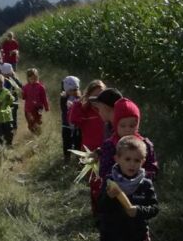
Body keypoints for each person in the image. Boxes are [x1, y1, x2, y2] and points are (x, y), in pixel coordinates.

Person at [97, 98, 158, 182]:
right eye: (123, 125)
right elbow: (104, 171)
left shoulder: (145, 145)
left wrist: (139, 179)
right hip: (115, 190)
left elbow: (152, 169)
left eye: (132, 126)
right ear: (115, 124)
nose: (127, 129)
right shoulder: (110, 145)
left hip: (140, 189)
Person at [70, 80, 107, 214]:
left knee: (107, 182)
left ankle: (106, 212)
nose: (97, 100)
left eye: (101, 97)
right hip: (90, 152)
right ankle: (97, 211)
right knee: (95, 183)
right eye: (94, 97)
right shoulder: (85, 111)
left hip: (107, 150)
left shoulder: (108, 110)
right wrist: (80, 103)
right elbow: (73, 119)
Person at [60, 76, 82, 160]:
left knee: (77, 142)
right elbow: (63, 108)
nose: (73, 92)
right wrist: (67, 102)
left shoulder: (79, 98)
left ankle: (78, 159)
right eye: (71, 90)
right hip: (66, 125)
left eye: (75, 90)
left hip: (76, 125)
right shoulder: (63, 98)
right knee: (66, 142)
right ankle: (67, 158)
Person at [21, 68, 49, 134]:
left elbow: (44, 98)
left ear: (37, 77)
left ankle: (39, 134)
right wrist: (22, 93)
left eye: (35, 78)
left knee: (38, 121)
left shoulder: (41, 87)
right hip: (28, 109)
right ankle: (34, 133)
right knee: (30, 124)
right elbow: (24, 97)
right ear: (28, 78)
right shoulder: (25, 87)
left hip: (38, 108)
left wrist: (46, 107)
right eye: (32, 78)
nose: (34, 80)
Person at [0, 63, 23, 132]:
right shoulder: (14, 78)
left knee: (8, 117)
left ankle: (9, 130)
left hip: (8, 102)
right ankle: (14, 129)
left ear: (4, 72)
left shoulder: (4, 81)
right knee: (14, 116)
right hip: (14, 101)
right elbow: (21, 86)